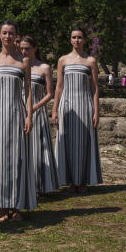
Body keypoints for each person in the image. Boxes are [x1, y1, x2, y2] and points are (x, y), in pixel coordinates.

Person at [0, 20, 36, 221]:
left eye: (11, 33)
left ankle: (17, 205)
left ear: (17, 36)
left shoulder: (24, 61)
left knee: (18, 158)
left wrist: (29, 115)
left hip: (16, 113)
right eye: (4, 33)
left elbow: (28, 91)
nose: (8, 36)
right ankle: (2, 206)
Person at [53, 26, 103, 193]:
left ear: (85, 40)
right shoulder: (63, 60)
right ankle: (70, 181)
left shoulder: (91, 61)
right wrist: (54, 110)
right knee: (66, 142)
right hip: (66, 106)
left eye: (80, 37)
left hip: (84, 105)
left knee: (83, 143)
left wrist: (96, 111)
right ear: (70, 39)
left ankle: (82, 181)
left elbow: (94, 88)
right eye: (74, 37)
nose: (77, 40)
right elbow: (59, 87)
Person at [20, 35, 59, 195]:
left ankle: (41, 184)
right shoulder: (19, 65)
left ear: (35, 48)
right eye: (21, 48)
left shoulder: (44, 67)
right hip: (20, 110)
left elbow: (49, 94)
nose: (23, 51)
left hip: (37, 110)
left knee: (38, 148)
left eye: (27, 48)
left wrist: (34, 107)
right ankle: (26, 183)